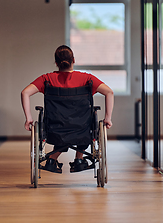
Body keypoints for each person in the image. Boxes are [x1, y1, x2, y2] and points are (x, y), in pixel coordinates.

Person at [21, 45, 114, 173]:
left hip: (55, 128)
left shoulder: (47, 79)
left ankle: (52, 160)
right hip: (82, 128)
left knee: (64, 129)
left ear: (56, 63)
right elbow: (109, 92)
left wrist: (28, 118)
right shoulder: (87, 79)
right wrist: (108, 118)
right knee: (83, 125)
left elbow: (25, 93)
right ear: (73, 60)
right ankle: (79, 159)